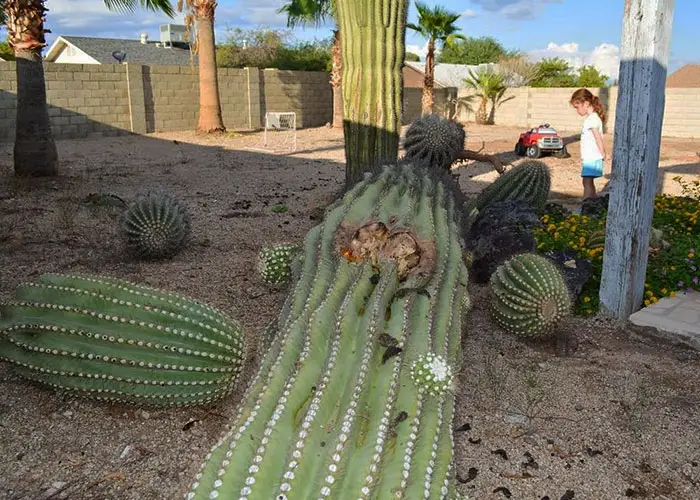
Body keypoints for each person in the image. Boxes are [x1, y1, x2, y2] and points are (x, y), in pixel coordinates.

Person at [570, 88, 607, 199]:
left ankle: (587, 203)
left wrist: (602, 153)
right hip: (591, 157)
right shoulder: (592, 118)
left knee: (586, 182)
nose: (577, 111)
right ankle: (592, 202)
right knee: (588, 181)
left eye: (577, 107)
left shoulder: (592, 119)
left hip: (592, 157)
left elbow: (598, 138)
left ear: (586, 103)